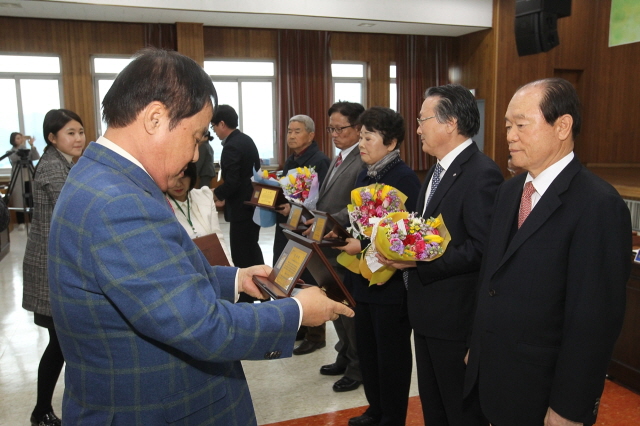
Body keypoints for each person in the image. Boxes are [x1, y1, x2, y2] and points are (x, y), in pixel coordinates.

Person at [47, 48, 353, 426]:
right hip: (155, 409)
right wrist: (298, 311)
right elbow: (201, 326)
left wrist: (237, 279)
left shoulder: (102, 177)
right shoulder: (119, 202)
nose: (195, 156)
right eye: (194, 137)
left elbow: (158, 281)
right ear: (155, 118)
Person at [464, 78, 631, 426]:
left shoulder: (598, 205)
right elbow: (491, 277)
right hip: (493, 375)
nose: (510, 135)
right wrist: (477, 348)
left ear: (562, 126)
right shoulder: (509, 192)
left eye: (521, 125)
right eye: (508, 125)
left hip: (544, 389)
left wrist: (570, 406)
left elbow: (595, 321)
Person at [379, 84, 503, 426]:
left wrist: (419, 261)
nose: (417, 129)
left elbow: (482, 249)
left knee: (459, 411)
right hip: (428, 314)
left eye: (423, 120)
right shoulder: (436, 171)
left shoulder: (481, 174)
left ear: (450, 123)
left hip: (455, 319)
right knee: (435, 410)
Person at [337, 107, 421, 426]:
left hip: (392, 285)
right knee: (369, 352)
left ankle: (392, 416)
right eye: (360, 136)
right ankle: (375, 409)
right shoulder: (364, 174)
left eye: (368, 137)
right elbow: (361, 226)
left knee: (392, 356)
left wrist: (367, 244)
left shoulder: (404, 179)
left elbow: (407, 236)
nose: (361, 143)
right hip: (363, 279)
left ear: (391, 143)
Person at [22, 108, 86, 426]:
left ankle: (43, 409)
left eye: (80, 132)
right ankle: (41, 411)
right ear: (52, 138)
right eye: (70, 133)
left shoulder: (64, 163)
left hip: (56, 265)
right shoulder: (51, 167)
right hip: (48, 269)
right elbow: (73, 209)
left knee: (61, 342)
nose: (78, 138)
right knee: (60, 342)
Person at [312, 101, 365, 391]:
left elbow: (356, 206)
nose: (334, 133)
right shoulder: (339, 158)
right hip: (327, 244)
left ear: (358, 129)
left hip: (343, 244)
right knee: (335, 302)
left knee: (348, 309)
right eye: (330, 128)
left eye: (340, 128)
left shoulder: (362, 159)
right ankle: (344, 355)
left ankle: (358, 368)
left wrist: (326, 222)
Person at [273, 114, 330, 355]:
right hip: (289, 225)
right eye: (289, 131)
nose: (291, 136)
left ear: (311, 134)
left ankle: (317, 333)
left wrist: (297, 209)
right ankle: (302, 325)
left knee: (310, 277)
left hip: (308, 227)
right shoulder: (291, 161)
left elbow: (322, 201)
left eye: (297, 131)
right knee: (291, 273)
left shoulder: (319, 161)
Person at [211, 105, 264, 273]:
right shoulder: (246, 139)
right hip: (252, 206)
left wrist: (215, 194)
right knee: (252, 251)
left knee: (242, 256)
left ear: (222, 124)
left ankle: (247, 296)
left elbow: (233, 182)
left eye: (213, 127)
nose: (214, 131)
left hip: (241, 210)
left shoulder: (231, 146)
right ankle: (264, 293)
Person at [166, 161, 232, 263]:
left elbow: (218, 238)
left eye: (183, 177)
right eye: (173, 178)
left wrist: (230, 267)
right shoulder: (160, 204)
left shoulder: (204, 196)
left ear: (191, 177)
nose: (178, 184)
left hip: (211, 266)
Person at [6, 132, 40, 229]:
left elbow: (36, 157)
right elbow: (15, 158)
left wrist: (32, 145)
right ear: (13, 140)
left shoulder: (27, 150)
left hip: (29, 177)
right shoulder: (10, 151)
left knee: (31, 199)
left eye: (21, 138)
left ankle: (32, 222)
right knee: (19, 200)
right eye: (18, 138)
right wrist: (21, 147)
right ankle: (21, 222)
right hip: (18, 179)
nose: (21, 140)